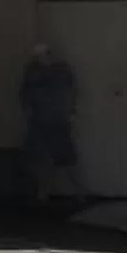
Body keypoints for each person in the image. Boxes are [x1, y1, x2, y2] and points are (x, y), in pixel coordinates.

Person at [20, 44, 80, 206]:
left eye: (43, 56)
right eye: (39, 57)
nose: (41, 59)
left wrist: (71, 112)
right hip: (40, 120)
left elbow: (72, 92)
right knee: (43, 159)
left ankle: (78, 194)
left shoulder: (60, 71)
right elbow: (25, 94)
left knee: (66, 159)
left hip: (56, 120)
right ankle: (43, 194)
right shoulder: (33, 71)